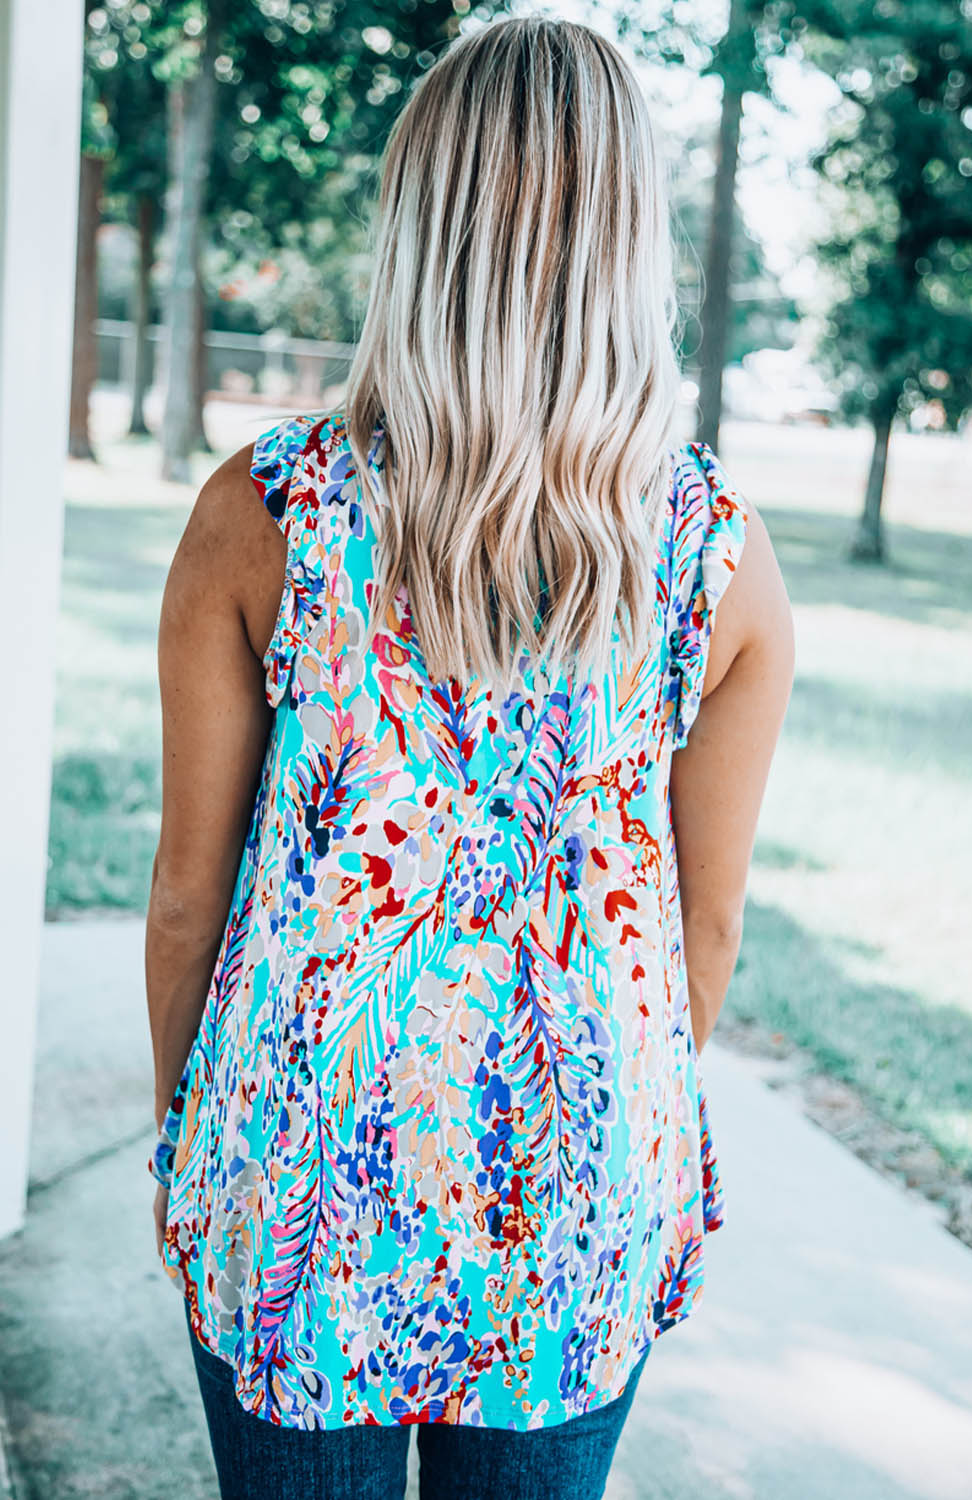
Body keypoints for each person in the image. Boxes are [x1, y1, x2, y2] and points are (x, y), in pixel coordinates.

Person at [145, 14, 794, 1500]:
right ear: (629, 241)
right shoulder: (720, 555)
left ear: (421, 222)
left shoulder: (266, 511)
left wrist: (192, 1139)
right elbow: (704, 924)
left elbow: (190, 894)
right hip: (578, 1176)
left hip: (294, 1163)